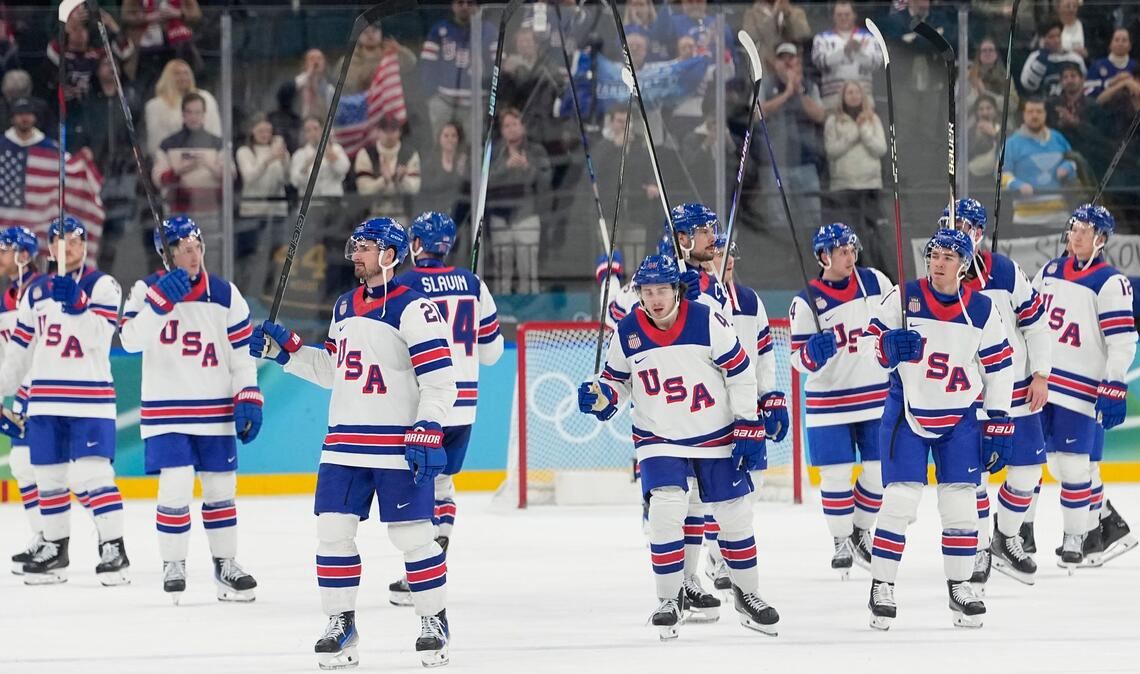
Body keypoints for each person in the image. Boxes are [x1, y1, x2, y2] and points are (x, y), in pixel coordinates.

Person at [251, 218, 457, 669]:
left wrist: (429, 425)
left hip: (396, 444)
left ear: (390, 254)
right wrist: (285, 353)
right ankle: (340, 624)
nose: (356, 254)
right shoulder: (344, 305)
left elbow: (441, 382)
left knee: (413, 536)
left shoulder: (414, 308)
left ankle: (433, 619)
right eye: (356, 245)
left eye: (365, 247)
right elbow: (333, 371)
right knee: (332, 533)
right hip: (344, 443)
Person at [578, 253, 780, 639]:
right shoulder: (628, 329)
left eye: (662, 290)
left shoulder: (707, 319)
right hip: (659, 436)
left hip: (714, 432)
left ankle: (749, 594)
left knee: (735, 514)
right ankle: (669, 599)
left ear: (677, 290)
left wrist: (747, 422)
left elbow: (740, 371)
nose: (655, 299)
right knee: (666, 508)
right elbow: (617, 382)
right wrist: (601, 396)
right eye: (647, 291)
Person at [864, 228, 1014, 630]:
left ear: (964, 265)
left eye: (949, 257)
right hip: (907, 411)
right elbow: (866, 343)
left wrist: (999, 419)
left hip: (959, 416)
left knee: (961, 504)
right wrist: (886, 346)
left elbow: (1000, 366)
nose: (938, 262)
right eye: (934, 255)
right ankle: (882, 585)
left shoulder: (981, 308)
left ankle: (960, 586)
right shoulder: (904, 296)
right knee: (899, 500)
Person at [118, 216, 262, 603]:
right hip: (166, 410)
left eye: (197, 246)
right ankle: (173, 563)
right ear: (165, 254)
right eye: (183, 249)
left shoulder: (225, 293)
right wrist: (159, 305)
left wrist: (248, 393)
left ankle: (225, 564)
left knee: (221, 488)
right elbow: (129, 340)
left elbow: (242, 355)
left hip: (215, 409)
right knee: (176, 483)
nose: (193, 254)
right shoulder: (145, 290)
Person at [0, 216, 128, 586]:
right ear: (50, 248)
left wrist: (77, 303)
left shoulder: (103, 285)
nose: (70, 247)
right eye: (62, 241)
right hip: (44, 400)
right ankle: (55, 549)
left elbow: (99, 338)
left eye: (77, 240)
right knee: (48, 477)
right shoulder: (36, 292)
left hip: (90, 398)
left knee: (93, 475)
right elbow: (19, 353)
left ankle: (113, 548)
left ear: (85, 246)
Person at [387, 211, 504, 606]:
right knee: (443, 485)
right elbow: (492, 353)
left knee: (419, 487)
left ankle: (422, 574)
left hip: (424, 404)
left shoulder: (404, 283)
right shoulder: (472, 283)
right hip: (464, 406)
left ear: (417, 244)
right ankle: (435, 558)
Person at [942, 199, 1051, 588]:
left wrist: (1041, 373)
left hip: (1017, 388)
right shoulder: (940, 275)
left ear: (979, 233)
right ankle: (979, 546)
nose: (957, 233)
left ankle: (1006, 536)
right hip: (968, 394)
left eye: (965, 227)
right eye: (951, 225)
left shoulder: (1005, 270)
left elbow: (1036, 323)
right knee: (973, 477)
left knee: (1027, 472)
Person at [1031, 204, 1136, 570]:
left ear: (1101, 239)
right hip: (1046, 383)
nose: (1076, 236)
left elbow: (1122, 340)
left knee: (1076, 465)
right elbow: (1029, 318)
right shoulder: (1049, 271)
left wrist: (1114, 382)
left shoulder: (1110, 282)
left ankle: (1080, 536)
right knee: (1057, 465)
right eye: (1073, 229)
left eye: (1085, 231)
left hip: (1081, 389)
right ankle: (1106, 526)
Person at [787, 223, 891, 577]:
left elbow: (896, 322)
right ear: (823, 256)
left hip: (875, 396)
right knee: (836, 476)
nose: (850, 257)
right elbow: (797, 360)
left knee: (879, 471)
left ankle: (860, 530)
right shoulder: (805, 301)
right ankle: (841, 540)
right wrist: (811, 355)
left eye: (851, 250)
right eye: (841, 251)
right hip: (828, 402)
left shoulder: (875, 282)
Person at [0, 226, 43, 573]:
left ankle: (110, 540)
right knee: (22, 464)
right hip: (22, 393)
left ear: (23, 255)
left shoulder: (45, 292)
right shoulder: (6, 299)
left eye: (4, 250)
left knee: (81, 473)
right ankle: (43, 536)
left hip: (51, 390)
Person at [755, 43, 825, 235]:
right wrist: (786, 93)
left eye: (791, 58)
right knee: (778, 219)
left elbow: (819, 115)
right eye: (782, 58)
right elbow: (756, 113)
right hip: (775, 164)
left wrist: (798, 90)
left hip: (805, 162)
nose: (787, 62)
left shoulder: (808, 86)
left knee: (812, 217)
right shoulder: (765, 84)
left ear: (798, 62)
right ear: (775, 63)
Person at [823, 81, 888, 272]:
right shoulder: (833, 121)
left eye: (857, 92)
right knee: (849, 231)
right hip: (845, 186)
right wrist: (853, 134)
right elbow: (831, 151)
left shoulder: (872, 119)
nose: (853, 96)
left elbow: (881, 148)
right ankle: (851, 269)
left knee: (871, 230)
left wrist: (864, 131)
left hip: (870, 185)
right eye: (849, 92)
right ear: (843, 97)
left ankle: (875, 268)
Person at [151, 92, 229, 248]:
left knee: (211, 254)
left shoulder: (218, 144)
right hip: (178, 212)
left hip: (211, 212)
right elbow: (158, 179)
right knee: (179, 255)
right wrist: (179, 171)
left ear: (204, 115)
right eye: (189, 112)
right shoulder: (168, 144)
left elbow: (230, 177)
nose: (193, 117)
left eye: (197, 112)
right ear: (183, 114)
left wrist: (209, 165)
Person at [486, 108, 550, 295]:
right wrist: (505, 167)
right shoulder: (495, 152)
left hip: (527, 216)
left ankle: (531, 305)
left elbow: (546, 181)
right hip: (500, 217)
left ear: (523, 127)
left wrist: (527, 166)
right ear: (502, 130)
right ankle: (501, 305)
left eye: (515, 124)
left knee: (528, 270)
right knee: (501, 271)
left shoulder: (536, 151)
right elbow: (484, 183)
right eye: (507, 125)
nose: (512, 129)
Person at [1000, 98, 1077, 227]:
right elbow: (1001, 174)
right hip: (1027, 220)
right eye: (1030, 112)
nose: (1034, 115)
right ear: (1023, 115)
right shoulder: (1011, 144)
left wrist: (1068, 167)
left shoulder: (1058, 138)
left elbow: (1075, 162)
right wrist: (1017, 184)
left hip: (1059, 217)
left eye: (1039, 111)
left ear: (1045, 114)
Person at [236, 114, 290, 295]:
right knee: (252, 254)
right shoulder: (244, 152)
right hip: (253, 210)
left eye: (268, 131)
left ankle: (270, 291)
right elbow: (249, 177)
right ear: (252, 131)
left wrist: (284, 158)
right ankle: (247, 290)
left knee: (275, 254)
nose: (265, 134)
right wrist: (268, 159)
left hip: (276, 209)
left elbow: (287, 179)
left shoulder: (278, 150)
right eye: (261, 131)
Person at [811, 1, 882, 109]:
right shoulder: (822, 38)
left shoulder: (869, 37)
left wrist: (858, 52)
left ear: (854, 15)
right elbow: (819, 63)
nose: (843, 18)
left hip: (863, 96)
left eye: (847, 14)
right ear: (833, 16)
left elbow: (876, 63)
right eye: (839, 15)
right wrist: (844, 51)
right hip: (833, 97)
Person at [143, 58, 220, 158]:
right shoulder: (155, 106)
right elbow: (155, 145)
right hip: (171, 159)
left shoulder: (206, 99)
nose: (183, 77)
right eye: (177, 74)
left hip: (206, 157)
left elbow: (215, 133)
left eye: (186, 73)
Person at [355, 115, 421, 224]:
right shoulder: (365, 154)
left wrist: (401, 180)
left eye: (393, 131)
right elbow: (364, 191)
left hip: (401, 214)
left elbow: (414, 189)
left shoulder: (410, 154)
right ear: (378, 132)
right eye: (385, 131)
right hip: (373, 214)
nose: (389, 135)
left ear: (399, 132)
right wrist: (383, 181)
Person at [417, 121, 469, 227]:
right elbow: (426, 190)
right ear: (439, 139)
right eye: (446, 136)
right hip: (435, 215)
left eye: (453, 136)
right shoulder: (430, 163)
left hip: (459, 216)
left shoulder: (465, 162)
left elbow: (468, 189)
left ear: (458, 139)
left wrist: (461, 171)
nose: (450, 139)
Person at [1020, 20, 1086, 99]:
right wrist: (1042, 58)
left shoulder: (1074, 58)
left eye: (1058, 36)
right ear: (1042, 39)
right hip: (1043, 101)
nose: (1057, 40)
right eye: (1051, 37)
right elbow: (1029, 86)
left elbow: (1084, 84)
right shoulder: (1035, 57)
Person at [1087, 28, 1136, 99]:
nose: (1120, 43)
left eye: (1124, 40)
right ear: (1110, 44)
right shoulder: (1097, 65)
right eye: (1116, 40)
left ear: (1130, 46)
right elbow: (1088, 91)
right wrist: (1112, 82)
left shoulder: (1136, 66)